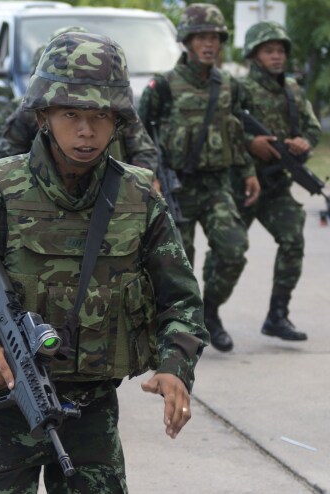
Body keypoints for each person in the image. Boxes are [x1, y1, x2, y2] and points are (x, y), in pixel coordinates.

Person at [0, 32, 208, 493]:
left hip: (93, 409)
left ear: (118, 122)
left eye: (99, 116)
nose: (86, 131)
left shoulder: (138, 196)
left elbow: (182, 299)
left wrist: (174, 367)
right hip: (9, 401)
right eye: (71, 114)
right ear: (43, 115)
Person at [139, 3, 259, 353]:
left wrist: (249, 173)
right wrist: (150, 177)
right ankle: (180, 328)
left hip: (217, 184)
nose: (209, 44)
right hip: (177, 184)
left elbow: (237, 131)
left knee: (234, 249)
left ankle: (212, 313)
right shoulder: (163, 86)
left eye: (214, 38)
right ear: (187, 41)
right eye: (201, 37)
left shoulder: (229, 87)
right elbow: (140, 135)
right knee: (179, 263)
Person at [234, 21, 321, 341]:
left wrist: (303, 144)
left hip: (276, 186)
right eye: (269, 50)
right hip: (240, 183)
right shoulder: (238, 88)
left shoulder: (292, 90)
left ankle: (278, 314)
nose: (277, 56)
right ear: (254, 54)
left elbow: (312, 130)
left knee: (293, 239)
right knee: (228, 253)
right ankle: (207, 316)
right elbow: (221, 127)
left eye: (281, 50)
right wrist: (250, 143)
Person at [0, 27, 157, 172]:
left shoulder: (114, 105)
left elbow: (144, 153)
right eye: (70, 114)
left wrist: (132, 188)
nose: (86, 131)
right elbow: (4, 159)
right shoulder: (30, 110)